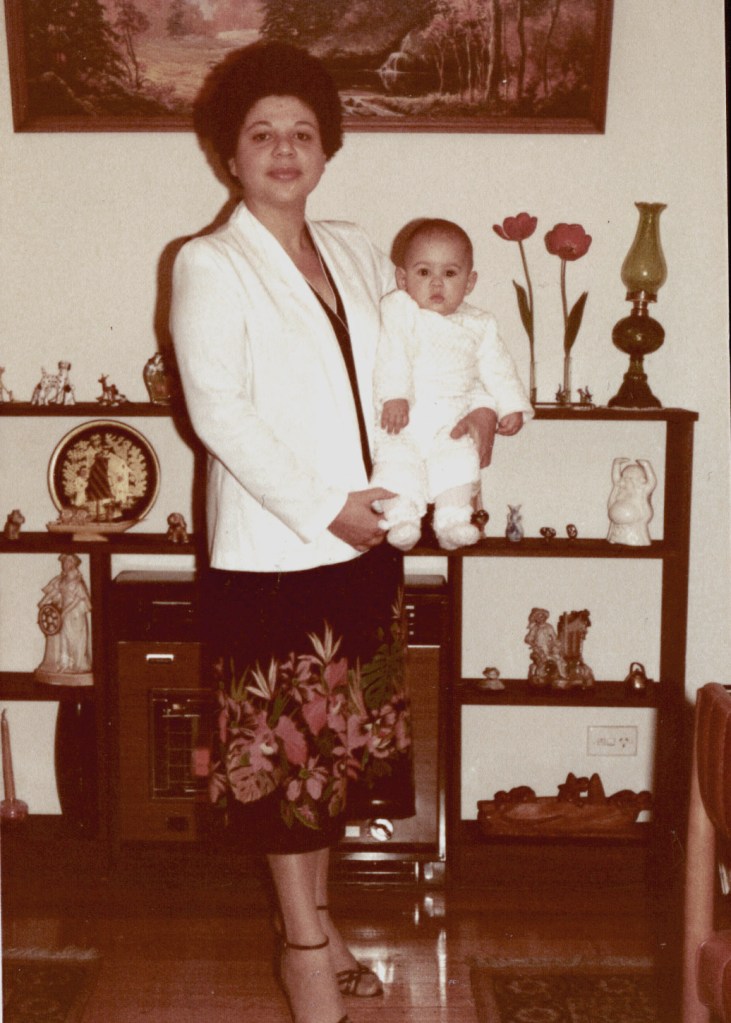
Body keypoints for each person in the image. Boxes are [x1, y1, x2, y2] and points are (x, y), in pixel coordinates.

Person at [170, 42, 499, 1023]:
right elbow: (217, 413)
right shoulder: (207, 261)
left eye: (301, 134)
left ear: (327, 149)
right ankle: (305, 952)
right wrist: (326, 507)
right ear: (229, 155)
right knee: (281, 773)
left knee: (336, 764)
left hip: (368, 549)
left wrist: (475, 415)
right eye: (261, 134)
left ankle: (315, 923)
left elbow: (425, 355)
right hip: (276, 557)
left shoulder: (360, 250)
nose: (283, 150)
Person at [371, 218, 533, 551]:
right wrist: (395, 396)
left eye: (449, 273)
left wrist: (512, 405)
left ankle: (453, 520)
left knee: (460, 460)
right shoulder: (400, 309)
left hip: (453, 416)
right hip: (404, 416)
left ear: (470, 281)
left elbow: (498, 367)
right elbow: (393, 352)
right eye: (423, 272)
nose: (436, 284)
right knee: (396, 460)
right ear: (402, 278)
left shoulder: (480, 323)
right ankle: (401, 518)